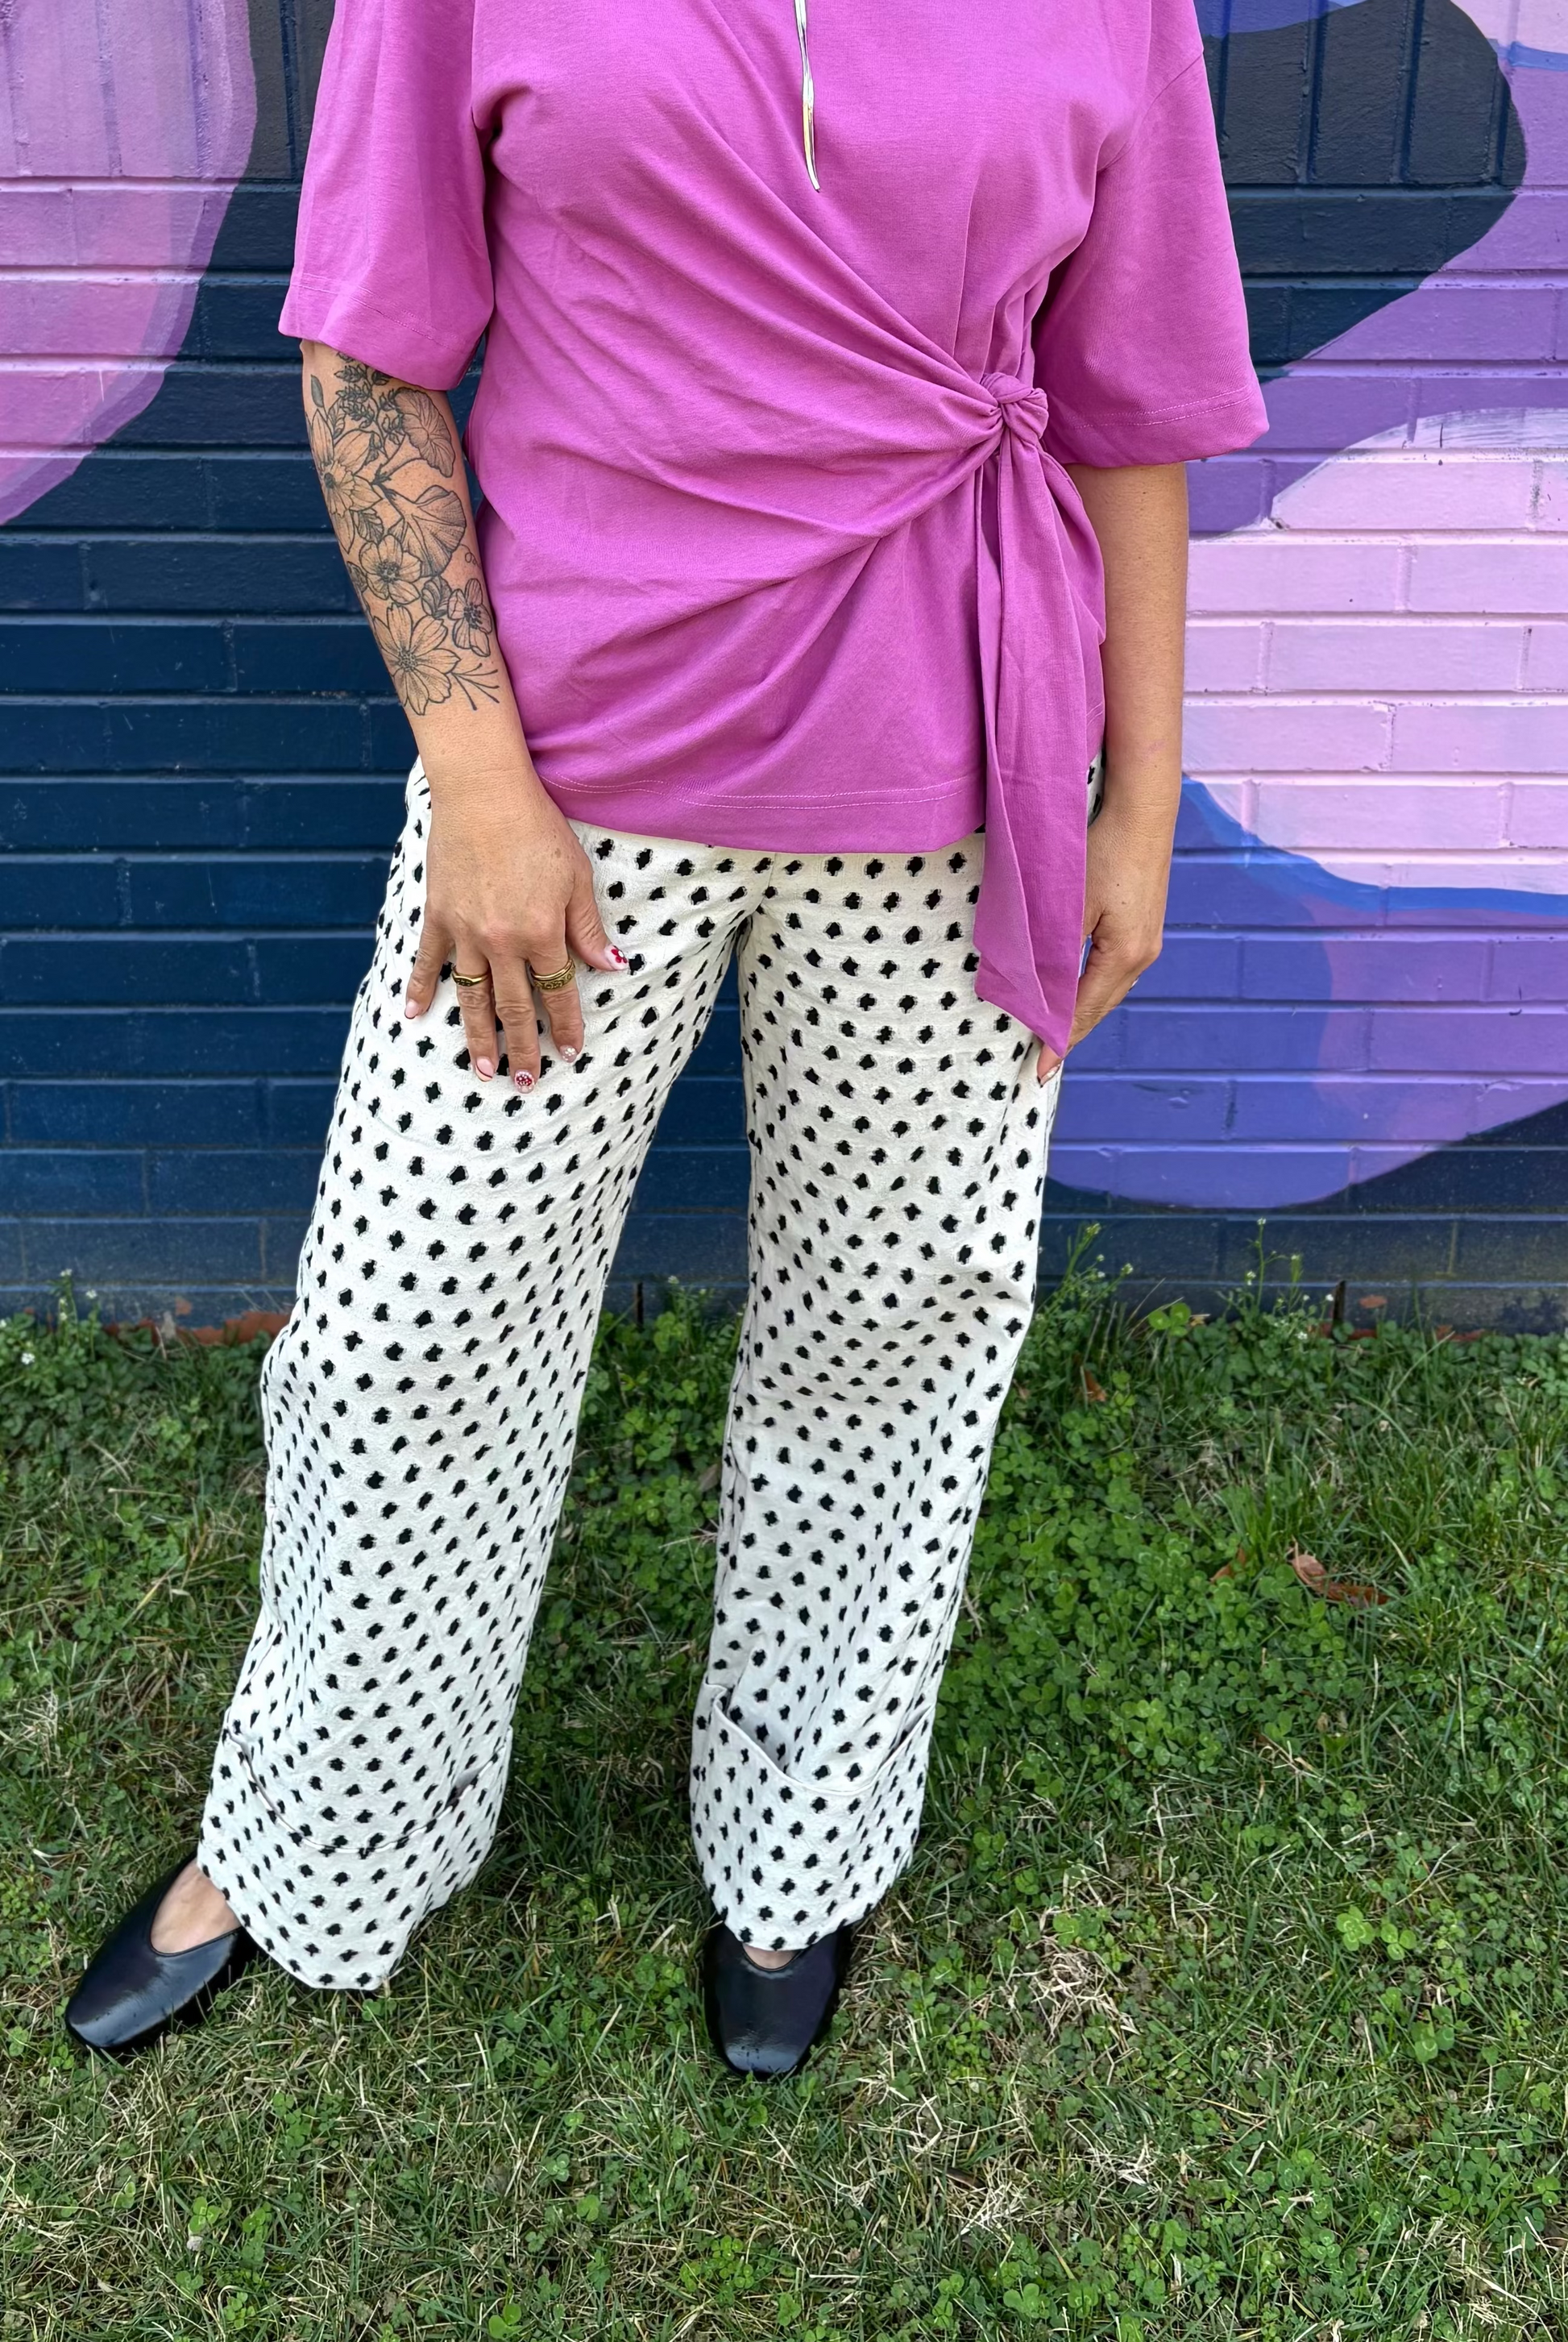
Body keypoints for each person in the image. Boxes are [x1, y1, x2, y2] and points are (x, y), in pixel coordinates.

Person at [65, 0, 1265, 2074]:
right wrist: (476, 778)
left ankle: (797, 1851)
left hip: (956, 777)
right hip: (564, 789)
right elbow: (366, 351)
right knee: (410, 1328)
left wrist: (1139, 805)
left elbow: (1126, 399)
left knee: (897, 1325)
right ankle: (315, 1830)